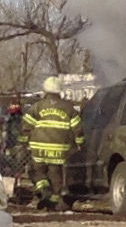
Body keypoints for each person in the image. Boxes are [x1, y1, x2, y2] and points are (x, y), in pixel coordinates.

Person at [19, 77, 84, 211]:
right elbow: (78, 128)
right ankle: (53, 204)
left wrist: (23, 142)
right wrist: (80, 144)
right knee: (56, 176)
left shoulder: (37, 107)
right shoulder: (69, 108)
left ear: (45, 90)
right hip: (60, 150)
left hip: (39, 147)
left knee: (36, 171)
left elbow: (26, 126)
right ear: (60, 91)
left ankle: (44, 191)